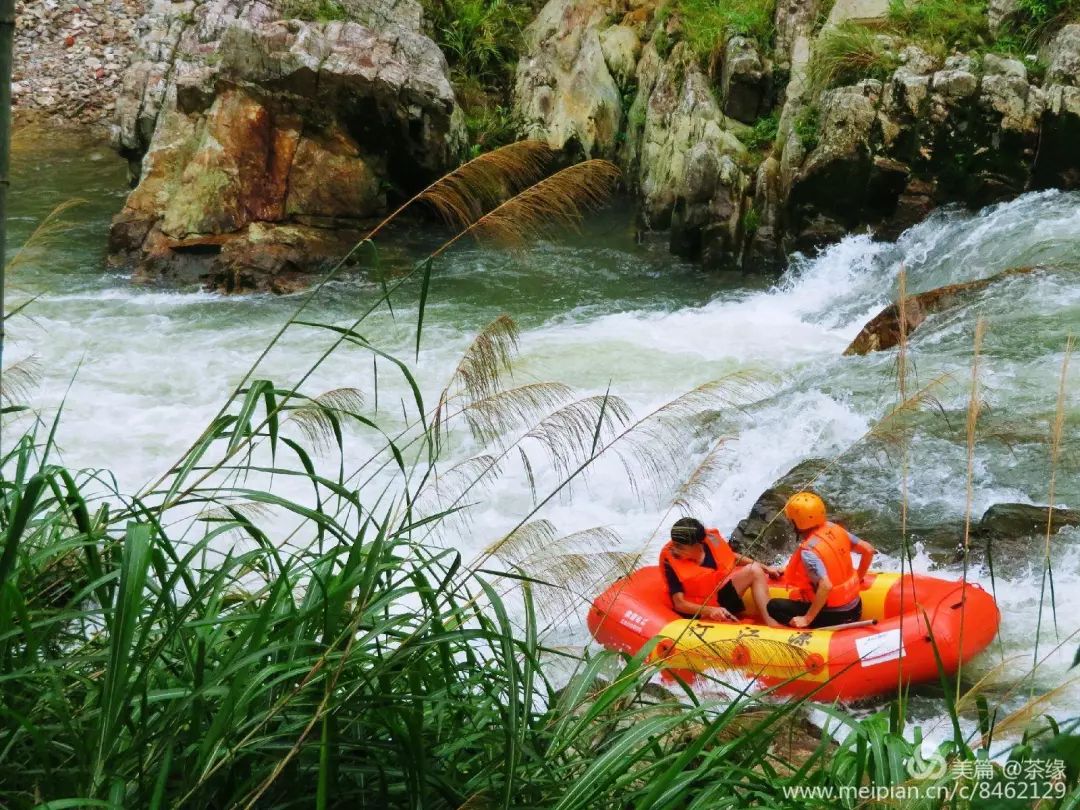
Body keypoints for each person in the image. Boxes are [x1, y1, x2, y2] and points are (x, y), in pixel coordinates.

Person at [767, 492, 876, 629]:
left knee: (773, 606)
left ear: (796, 522)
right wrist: (858, 578)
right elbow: (868, 549)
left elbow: (826, 585)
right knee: (797, 595)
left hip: (837, 616)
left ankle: (803, 628)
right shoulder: (833, 528)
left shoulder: (809, 552)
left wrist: (807, 619)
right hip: (856, 606)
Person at [660, 517, 784, 627]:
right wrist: (710, 611)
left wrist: (766, 568)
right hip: (697, 614)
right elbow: (679, 604)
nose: (674, 550)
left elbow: (732, 556)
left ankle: (772, 623)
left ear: (697, 545)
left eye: (679, 547)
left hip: (718, 599)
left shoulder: (711, 542)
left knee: (754, 569)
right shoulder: (670, 563)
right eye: (674, 544)